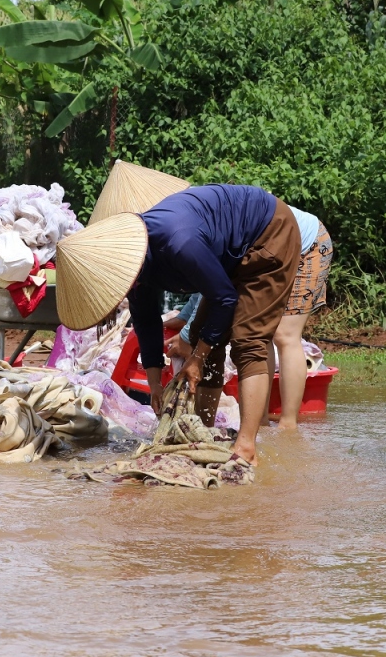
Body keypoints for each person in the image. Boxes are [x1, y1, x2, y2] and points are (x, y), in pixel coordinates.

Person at [56, 184, 301, 465]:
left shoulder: (178, 243)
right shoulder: (135, 268)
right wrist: (155, 385)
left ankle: (246, 448)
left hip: (268, 232)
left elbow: (224, 298)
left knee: (248, 341)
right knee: (202, 337)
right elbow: (146, 323)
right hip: (230, 251)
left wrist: (197, 360)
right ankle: (204, 431)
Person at [164, 207, 332, 427]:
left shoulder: (194, 226)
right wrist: (185, 318)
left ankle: (287, 425)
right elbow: (204, 285)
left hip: (307, 243)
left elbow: (214, 288)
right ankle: (259, 422)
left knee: (285, 334)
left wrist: (187, 336)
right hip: (270, 251)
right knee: (260, 334)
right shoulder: (187, 228)